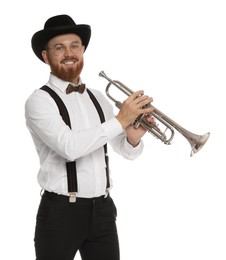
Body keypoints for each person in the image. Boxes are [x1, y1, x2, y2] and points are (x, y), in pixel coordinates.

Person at [25, 14, 154, 260]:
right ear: (46, 56)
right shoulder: (39, 101)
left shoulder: (97, 97)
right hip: (61, 212)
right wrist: (120, 120)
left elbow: (123, 150)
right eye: (59, 48)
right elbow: (69, 147)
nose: (69, 53)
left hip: (103, 210)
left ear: (83, 50)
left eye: (74, 46)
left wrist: (133, 137)